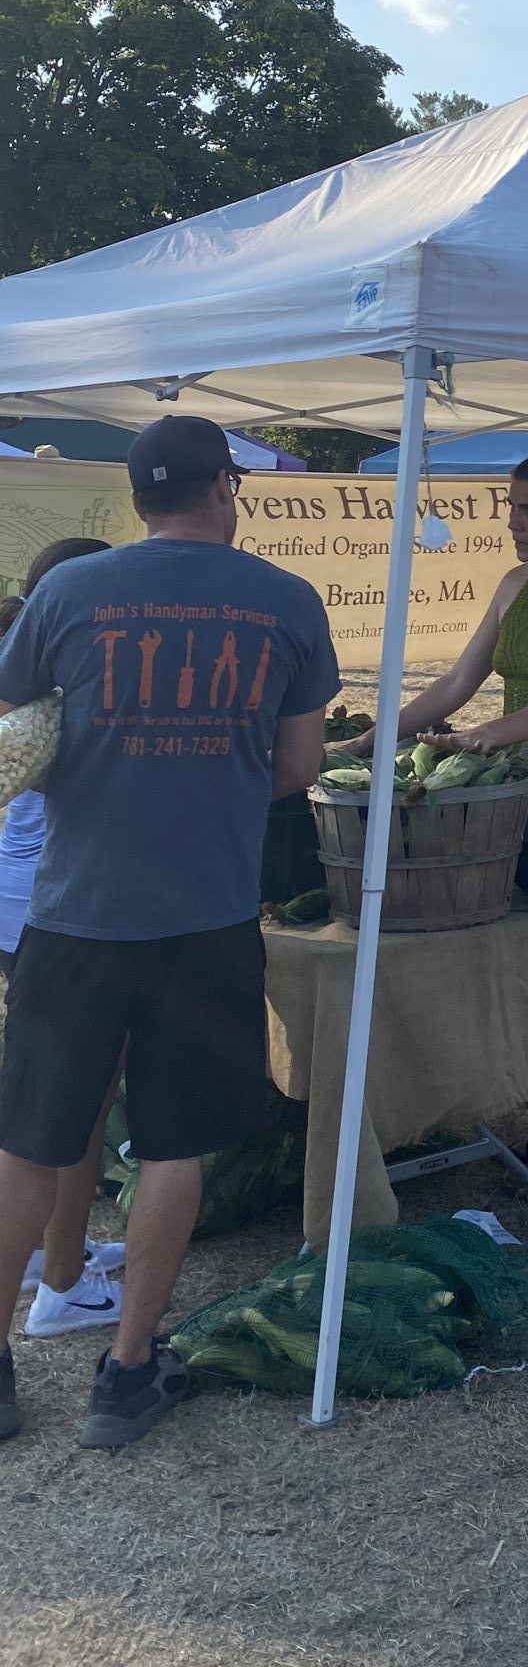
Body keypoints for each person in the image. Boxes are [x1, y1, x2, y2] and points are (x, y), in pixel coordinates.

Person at [0, 416, 336, 1450]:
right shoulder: (284, 601)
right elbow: (302, 764)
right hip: (206, 913)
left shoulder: (66, 591)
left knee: (26, 1141)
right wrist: (215, 777)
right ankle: (128, 1372)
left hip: (73, 914)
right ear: (225, 489)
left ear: (141, 499)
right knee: (174, 1145)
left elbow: (20, 724)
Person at [361, 447, 528, 1204]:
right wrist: (377, 734)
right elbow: (456, 682)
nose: (512, 524)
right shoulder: (514, 585)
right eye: (510, 508)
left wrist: (486, 737)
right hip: (513, 785)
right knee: (523, 953)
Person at [0, 541, 126, 1347]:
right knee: (71, 1110)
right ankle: (62, 1286)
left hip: (22, 906)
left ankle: (57, 1249)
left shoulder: (33, 676)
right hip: (56, 909)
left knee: (50, 1101)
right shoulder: (78, 685)